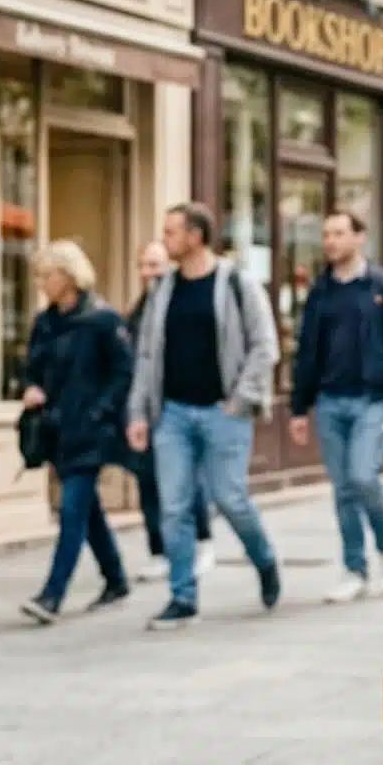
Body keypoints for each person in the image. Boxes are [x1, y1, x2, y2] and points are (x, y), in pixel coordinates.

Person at [127, 201, 283, 631]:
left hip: (223, 412)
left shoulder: (236, 282)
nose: (165, 240)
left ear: (196, 236)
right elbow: (146, 355)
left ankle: (265, 561)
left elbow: (265, 345)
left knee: (231, 499)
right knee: (174, 508)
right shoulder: (163, 289)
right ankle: (183, 597)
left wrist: (239, 399)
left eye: (172, 232)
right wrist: (139, 412)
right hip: (173, 414)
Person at [287, 211, 383, 604]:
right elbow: (307, 351)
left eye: (339, 233)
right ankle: (354, 569)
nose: (330, 241)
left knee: (364, 477)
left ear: (360, 238)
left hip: (373, 401)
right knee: (343, 489)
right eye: (326, 234)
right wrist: (298, 407)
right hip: (329, 401)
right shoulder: (320, 292)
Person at [19, 242, 133, 624]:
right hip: (55, 429)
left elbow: (123, 373)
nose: (41, 283)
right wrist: (32, 388)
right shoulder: (45, 322)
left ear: (68, 276)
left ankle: (52, 595)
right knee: (88, 511)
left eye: (46, 275)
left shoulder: (102, 319)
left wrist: (101, 411)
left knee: (71, 510)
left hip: (90, 431)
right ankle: (116, 579)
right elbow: (33, 367)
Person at [126, 240, 214, 582]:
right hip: (144, 409)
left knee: (187, 483)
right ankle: (159, 550)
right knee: (148, 480)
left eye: (156, 265)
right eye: (144, 265)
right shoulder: (139, 310)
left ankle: (202, 543)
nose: (149, 273)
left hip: (179, 405)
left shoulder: (176, 303)